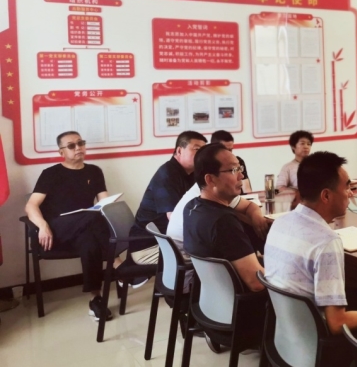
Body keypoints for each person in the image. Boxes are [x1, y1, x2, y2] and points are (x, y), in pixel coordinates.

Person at [264, 151, 357, 337]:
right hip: (319, 343)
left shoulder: (279, 223)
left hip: (285, 338)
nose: (351, 193)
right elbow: (337, 324)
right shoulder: (326, 241)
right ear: (326, 196)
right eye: (347, 187)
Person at [24, 131, 115, 321]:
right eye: (72, 146)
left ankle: (95, 299)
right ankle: (118, 263)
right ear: (61, 152)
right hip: (57, 230)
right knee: (92, 216)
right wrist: (43, 225)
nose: (78, 148)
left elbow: (104, 203)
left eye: (81, 143)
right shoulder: (51, 173)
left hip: (85, 227)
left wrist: (110, 209)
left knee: (90, 240)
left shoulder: (94, 171)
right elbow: (31, 205)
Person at [183, 143, 265, 292]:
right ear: (210, 179)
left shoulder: (192, 207)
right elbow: (257, 283)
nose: (241, 176)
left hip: (212, 296)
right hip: (240, 300)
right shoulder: (223, 222)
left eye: (240, 168)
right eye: (233, 170)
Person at [129, 131, 207, 266]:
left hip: (170, 239)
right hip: (150, 246)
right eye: (197, 150)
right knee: (210, 256)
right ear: (179, 150)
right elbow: (174, 218)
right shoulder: (167, 175)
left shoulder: (192, 174)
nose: (202, 155)